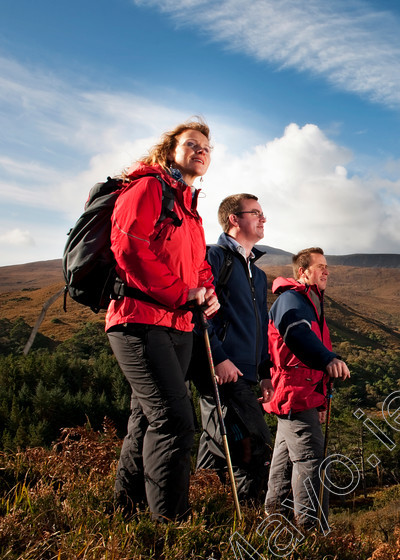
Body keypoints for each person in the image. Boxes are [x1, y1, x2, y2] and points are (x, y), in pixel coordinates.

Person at [106, 118, 220, 522]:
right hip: (139, 320)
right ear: (171, 149)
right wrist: (180, 293)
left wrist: (207, 292)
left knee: (146, 418)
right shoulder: (148, 187)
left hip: (178, 326)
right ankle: (170, 525)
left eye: (206, 148)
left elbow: (198, 265)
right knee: (175, 421)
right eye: (192, 144)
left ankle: (126, 513)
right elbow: (130, 249)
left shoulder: (189, 205)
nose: (200, 151)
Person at [192, 193, 274, 506]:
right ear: (234, 219)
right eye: (255, 213)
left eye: (263, 214)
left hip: (246, 374)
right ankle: (248, 528)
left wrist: (265, 372)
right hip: (224, 372)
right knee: (252, 451)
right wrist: (219, 357)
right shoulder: (214, 257)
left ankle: (204, 518)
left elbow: (261, 325)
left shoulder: (258, 273)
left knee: (216, 450)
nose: (263, 219)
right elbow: (199, 313)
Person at [263, 247, 350, 531]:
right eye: (320, 266)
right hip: (294, 396)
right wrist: (328, 359)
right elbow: (296, 334)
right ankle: (313, 535)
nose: (326, 271)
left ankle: (274, 524)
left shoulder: (308, 302)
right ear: (303, 272)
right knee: (312, 462)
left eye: (327, 267)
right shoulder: (292, 300)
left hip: (300, 395)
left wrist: (321, 404)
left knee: (285, 462)